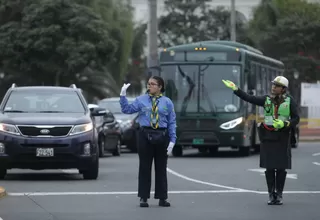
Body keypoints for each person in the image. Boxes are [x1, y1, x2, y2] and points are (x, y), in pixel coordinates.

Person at [222, 76, 300, 205]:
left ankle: (279, 194)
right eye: (273, 84)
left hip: (283, 138)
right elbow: (249, 98)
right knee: (269, 167)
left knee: (281, 168)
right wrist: (236, 89)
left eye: (277, 85)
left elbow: (296, 119)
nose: (273, 87)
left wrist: (285, 124)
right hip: (268, 137)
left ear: (283, 89)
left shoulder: (290, 101)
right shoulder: (266, 99)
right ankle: (271, 194)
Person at [119, 76, 176, 208]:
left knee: (161, 167)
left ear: (160, 86)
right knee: (145, 166)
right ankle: (143, 197)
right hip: (145, 135)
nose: (149, 86)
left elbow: (172, 122)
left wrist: (173, 140)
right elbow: (126, 109)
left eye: (152, 84)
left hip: (162, 135)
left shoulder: (167, 102)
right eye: (148, 84)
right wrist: (123, 96)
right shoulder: (141, 100)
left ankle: (162, 197)